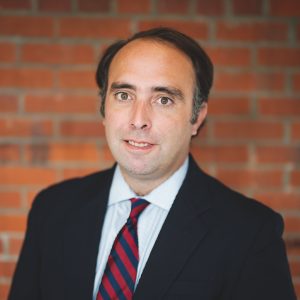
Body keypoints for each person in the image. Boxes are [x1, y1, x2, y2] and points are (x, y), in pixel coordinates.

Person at [9, 27, 296, 300]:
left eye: (163, 99)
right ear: (103, 109)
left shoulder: (250, 232)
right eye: (124, 95)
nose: (138, 120)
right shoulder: (52, 210)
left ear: (197, 117)